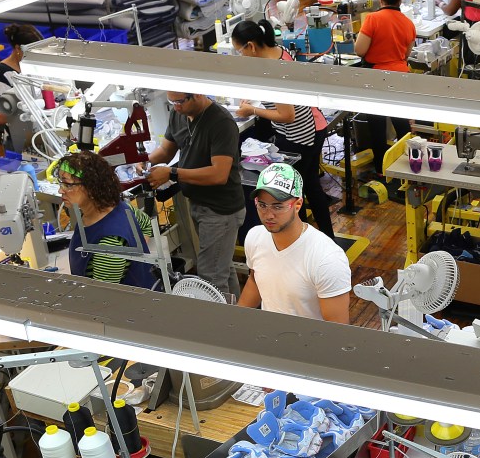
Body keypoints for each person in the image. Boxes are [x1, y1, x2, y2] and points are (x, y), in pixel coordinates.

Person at [229, 19, 335, 236]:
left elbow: (287, 115)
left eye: (239, 51)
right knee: (310, 187)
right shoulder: (279, 51)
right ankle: (326, 238)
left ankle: (299, 240)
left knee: (292, 193)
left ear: (251, 46)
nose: (240, 56)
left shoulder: (273, 72)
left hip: (300, 135)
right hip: (314, 127)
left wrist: (252, 110)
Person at [144, 92, 245, 301]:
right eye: (172, 102)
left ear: (197, 93)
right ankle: (241, 311)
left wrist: (172, 173)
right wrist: (143, 161)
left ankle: (221, 320)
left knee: (211, 278)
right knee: (222, 268)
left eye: (180, 101)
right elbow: (166, 151)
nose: (176, 107)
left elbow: (219, 174)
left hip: (220, 211)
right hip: (199, 204)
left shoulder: (221, 123)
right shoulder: (178, 113)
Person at [240, 164, 351, 323]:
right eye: (262, 205)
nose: (268, 215)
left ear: (298, 205)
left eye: (278, 206)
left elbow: (337, 328)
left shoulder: (327, 259)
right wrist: (235, 320)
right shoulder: (255, 237)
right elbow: (255, 281)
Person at [55, 151, 159, 289]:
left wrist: (130, 253)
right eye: (61, 183)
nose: (60, 191)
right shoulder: (119, 207)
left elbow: (101, 295)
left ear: (91, 188)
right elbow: (146, 224)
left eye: (68, 185)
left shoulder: (110, 244)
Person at [355, 0, 416, 172]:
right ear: (400, 0)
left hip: (377, 77)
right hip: (401, 77)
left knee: (377, 125)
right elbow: (406, 54)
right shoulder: (408, 23)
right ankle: (409, 164)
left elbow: (359, 50)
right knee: (402, 123)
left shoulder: (372, 19)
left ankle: (382, 168)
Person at [0, 24, 43, 149]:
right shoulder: (3, 73)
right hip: (18, 138)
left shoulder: (30, 66)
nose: (36, 55)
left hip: (39, 131)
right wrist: (29, 112)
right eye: (32, 51)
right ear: (18, 49)